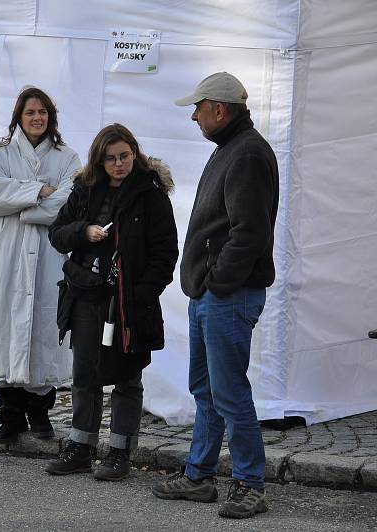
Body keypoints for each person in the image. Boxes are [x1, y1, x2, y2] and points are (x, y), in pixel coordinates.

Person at [152, 72, 279, 520]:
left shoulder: (245, 153)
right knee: (207, 391)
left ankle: (249, 483)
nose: (194, 115)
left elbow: (249, 232)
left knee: (228, 393)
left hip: (228, 295)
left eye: (198, 108)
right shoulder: (232, 149)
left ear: (219, 110)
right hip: (214, 294)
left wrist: (218, 281)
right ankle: (199, 475)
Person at [46, 124, 178, 480]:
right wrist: (83, 231)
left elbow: (166, 254)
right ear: (99, 161)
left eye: (124, 156)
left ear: (134, 153)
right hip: (88, 293)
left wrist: (142, 295)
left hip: (130, 301)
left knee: (127, 377)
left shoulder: (150, 193)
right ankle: (80, 447)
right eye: (111, 159)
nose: (119, 164)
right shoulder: (86, 189)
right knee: (84, 372)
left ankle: (120, 452)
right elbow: (57, 233)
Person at [0, 86, 82, 442]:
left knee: (44, 330)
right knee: (6, 327)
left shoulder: (67, 158)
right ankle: (10, 414)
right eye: (30, 112)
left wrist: (21, 203)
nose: (37, 118)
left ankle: (39, 412)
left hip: (49, 255)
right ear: (18, 117)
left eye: (43, 112)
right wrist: (38, 189)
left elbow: (69, 204)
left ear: (51, 117)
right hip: (7, 255)